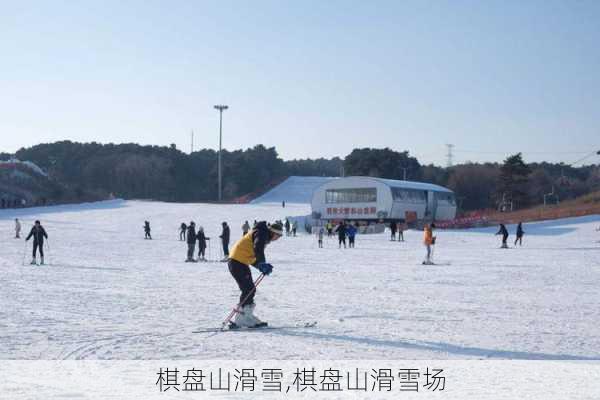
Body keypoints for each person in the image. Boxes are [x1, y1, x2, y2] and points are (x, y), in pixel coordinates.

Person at [228, 221, 283, 328]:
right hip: (236, 261)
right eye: (278, 235)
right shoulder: (262, 233)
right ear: (273, 232)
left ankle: (246, 316)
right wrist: (262, 264)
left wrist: (260, 266)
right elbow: (258, 248)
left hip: (240, 261)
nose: (278, 238)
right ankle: (241, 318)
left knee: (250, 289)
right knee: (248, 289)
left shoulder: (262, 234)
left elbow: (251, 254)